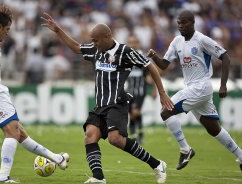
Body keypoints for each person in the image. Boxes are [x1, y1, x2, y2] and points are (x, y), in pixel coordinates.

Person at [41, 12, 174, 184]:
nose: (94, 43)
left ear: (107, 36)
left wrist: (162, 92)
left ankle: (157, 164)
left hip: (117, 103)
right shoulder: (96, 51)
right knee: (90, 135)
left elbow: (151, 67)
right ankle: (98, 178)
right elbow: (76, 47)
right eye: (92, 40)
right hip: (100, 105)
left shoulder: (125, 52)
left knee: (115, 139)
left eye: (96, 40)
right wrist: (58, 30)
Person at [0, 5, 69, 183]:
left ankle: (57, 158)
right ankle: (3, 178)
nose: (8, 33)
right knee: (12, 132)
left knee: (18, 133)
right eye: (7, 29)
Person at [147, 9, 242, 171]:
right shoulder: (177, 41)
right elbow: (164, 64)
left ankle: (186, 149)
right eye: (178, 23)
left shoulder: (202, 40)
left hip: (201, 87)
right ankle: (241, 156)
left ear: (193, 23)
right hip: (193, 88)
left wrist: (223, 84)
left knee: (165, 111)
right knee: (213, 129)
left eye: (184, 22)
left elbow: (225, 57)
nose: (181, 26)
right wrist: (154, 56)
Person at [126, 35, 157, 144]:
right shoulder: (125, 56)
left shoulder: (143, 56)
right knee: (133, 114)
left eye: (134, 42)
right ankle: (138, 135)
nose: (132, 44)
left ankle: (135, 136)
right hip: (128, 91)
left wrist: (154, 89)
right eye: (130, 42)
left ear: (138, 44)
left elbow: (152, 73)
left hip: (140, 90)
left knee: (135, 112)